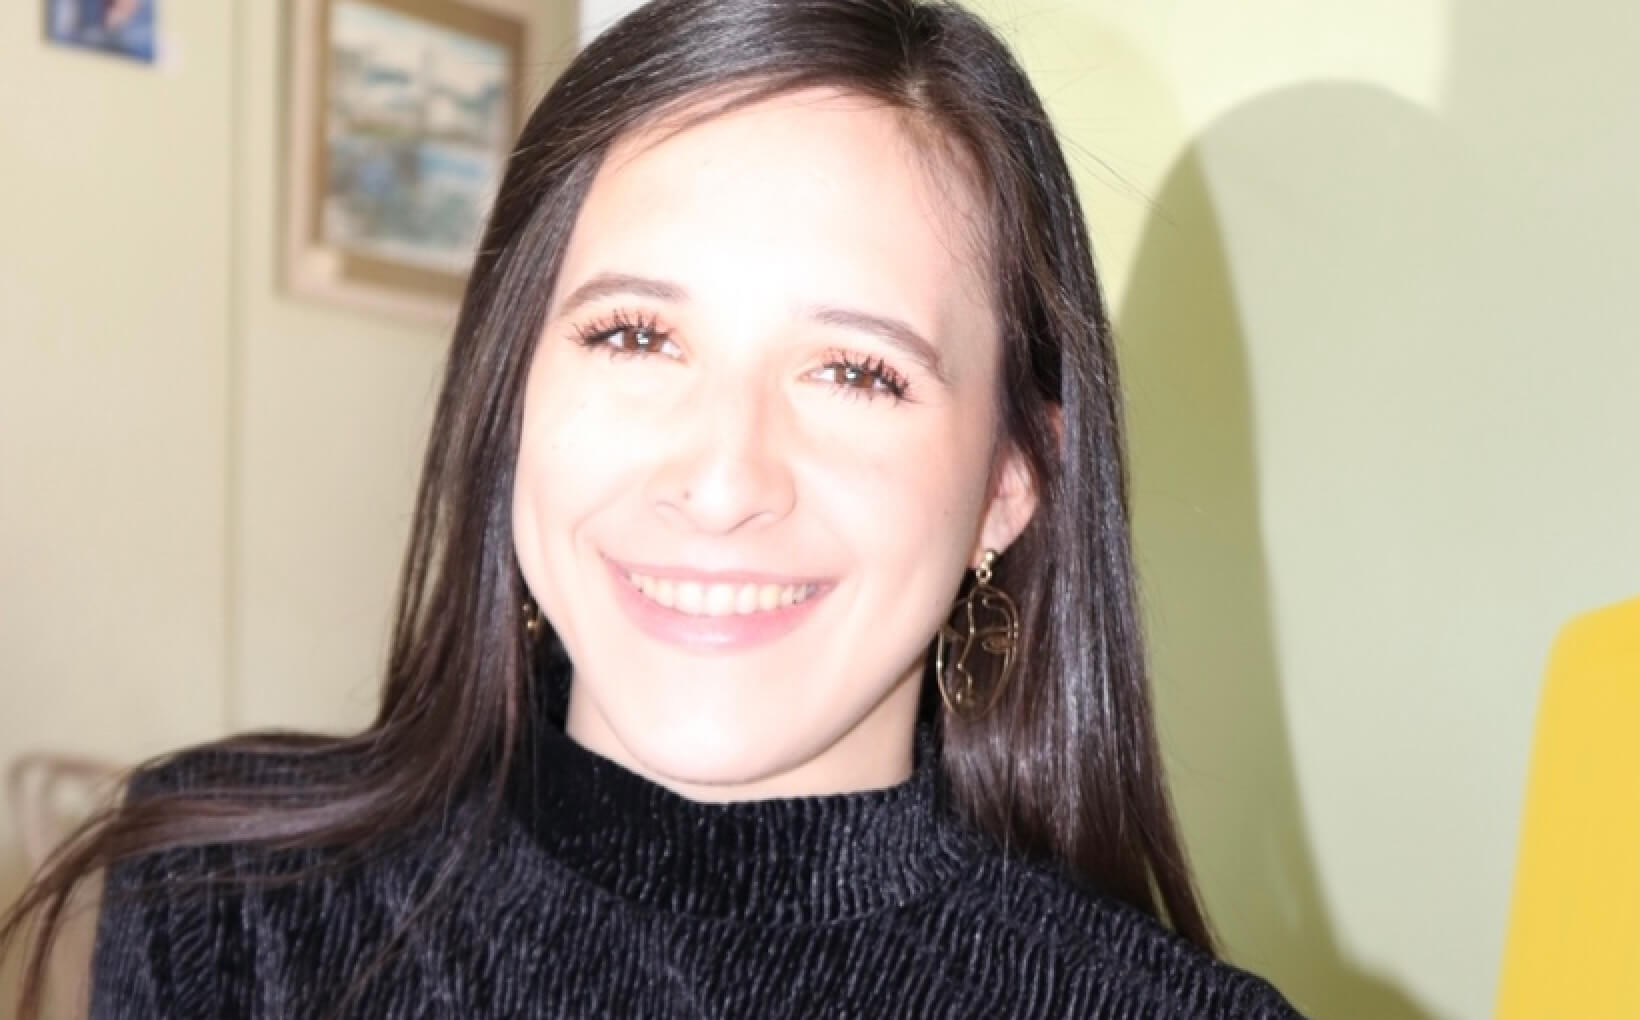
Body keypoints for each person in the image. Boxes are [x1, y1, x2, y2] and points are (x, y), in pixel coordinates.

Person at [2, 1, 1306, 1016]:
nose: (724, 477)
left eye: (857, 372)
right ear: (509, 393)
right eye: (634, 337)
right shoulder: (229, 905)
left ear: (1010, 484)